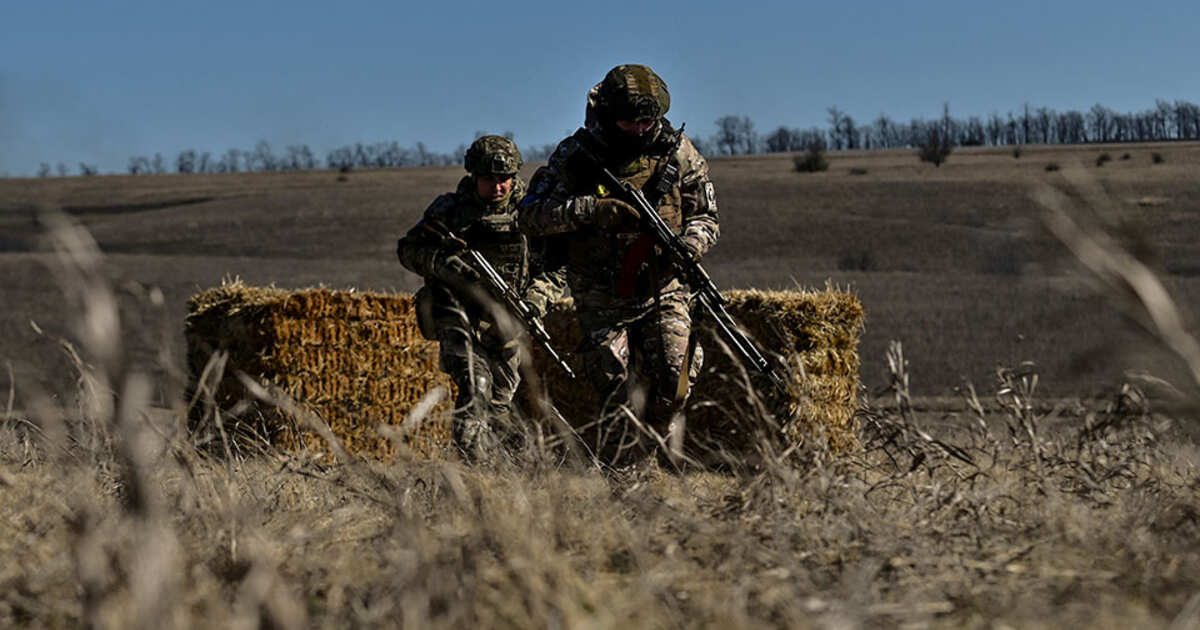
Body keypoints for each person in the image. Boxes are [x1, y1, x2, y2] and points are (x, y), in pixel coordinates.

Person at [517, 64, 719, 461]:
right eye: (630, 121)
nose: (641, 129)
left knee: (675, 380)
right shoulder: (576, 155)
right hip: (600, 291)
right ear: (610, 115)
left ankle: (652, 452)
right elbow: (530, 215)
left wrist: (690, 245)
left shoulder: (678, 151)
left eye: (648, 120)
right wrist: (590, 210)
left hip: (663, 285)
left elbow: (705, 216)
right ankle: (622, 472)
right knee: (614, 388)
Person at [397, 135, 563, 460]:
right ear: (473, 176)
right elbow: (409, 249)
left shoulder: (531, 214)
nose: (497, 187)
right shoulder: (451, 211)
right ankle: (474, 475)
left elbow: (555, 272)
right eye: (489, 179)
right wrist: (448, 266)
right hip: (456, 316)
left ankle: (503, 475)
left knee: (499, 408)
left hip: (506, 322)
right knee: (476, 388)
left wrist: (534, 302)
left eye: (504, 179)